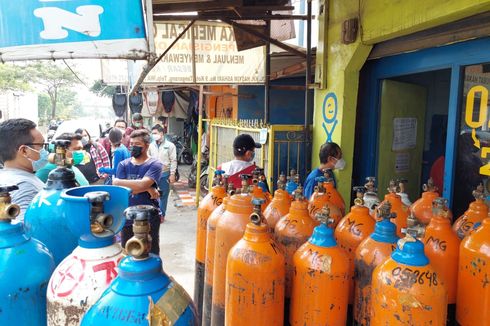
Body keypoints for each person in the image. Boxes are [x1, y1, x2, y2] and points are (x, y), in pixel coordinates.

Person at [113, 129, 163, 255]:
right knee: (128, 252)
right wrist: (147, 188)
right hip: (128, 217)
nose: (133, 147)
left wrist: (118, 181)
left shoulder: (155, 164)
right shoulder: (123, 165)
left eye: (137, 145)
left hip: (149, 218)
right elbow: (122, 191)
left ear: (146, 146)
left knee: (151, 251)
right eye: (131, 145)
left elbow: (140, 184)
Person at [0, 118, 47, 222]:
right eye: (41, 145)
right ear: (25, 151)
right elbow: (24, 231)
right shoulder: (25, 186)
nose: (44, 151)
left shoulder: (4, 176)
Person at [148, 124, 177, 222]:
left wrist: (172, 174)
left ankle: (161, 215)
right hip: (153, 174)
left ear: (161, 133)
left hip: (165, 174)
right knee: (152, 194)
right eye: (152, 133)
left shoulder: (170, 146)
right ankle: (154, 213)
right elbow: (148, 159)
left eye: (155, 133)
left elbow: (173, 160)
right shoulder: (151, 145)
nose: (153, 135)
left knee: (164, 195)